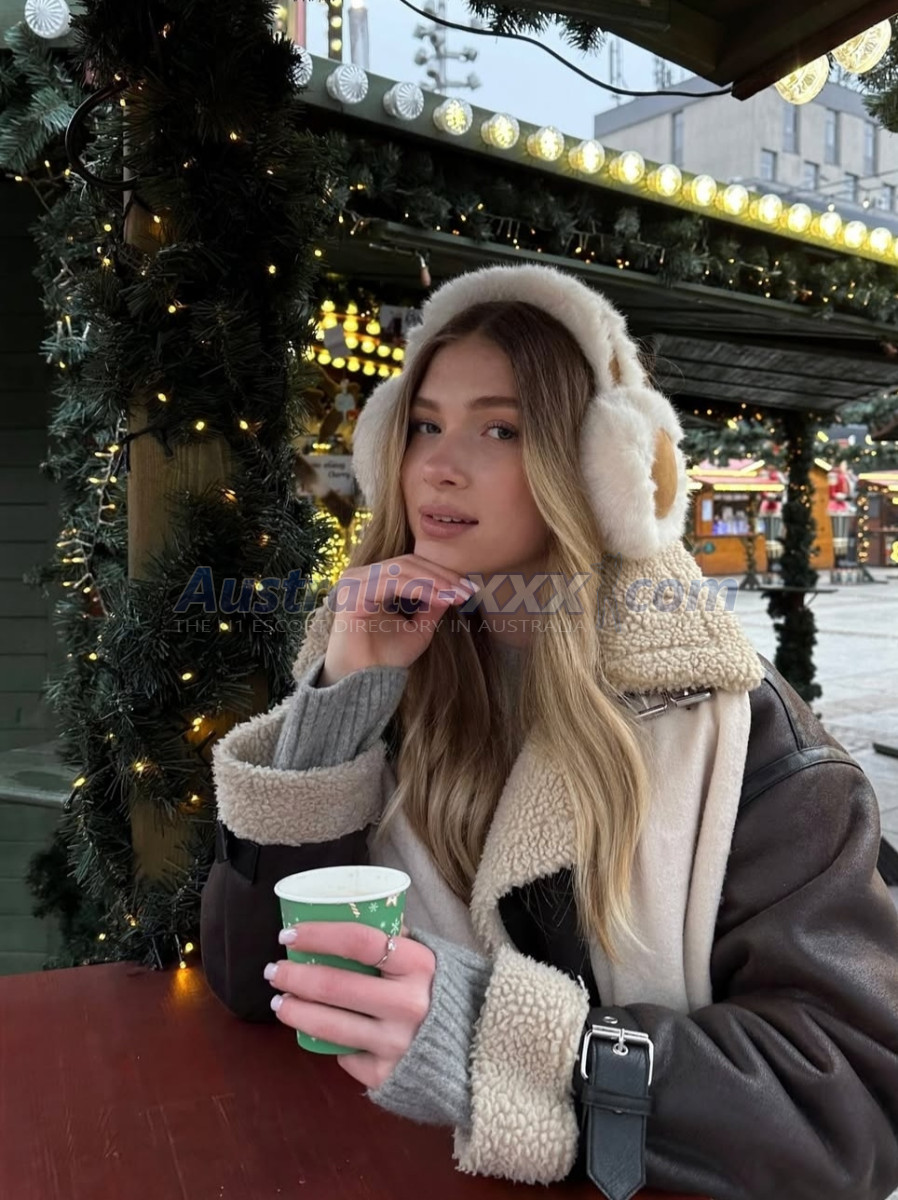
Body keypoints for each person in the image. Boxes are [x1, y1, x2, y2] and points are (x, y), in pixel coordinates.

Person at [201, 264, 898, 1200]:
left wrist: (501, 1040)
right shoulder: (391, 677)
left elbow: (853, 1103)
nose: (440, 467)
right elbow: (257, 980)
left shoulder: (737, 733)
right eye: (424, 426)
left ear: (598, 469)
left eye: (502, 429)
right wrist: (341, 699)